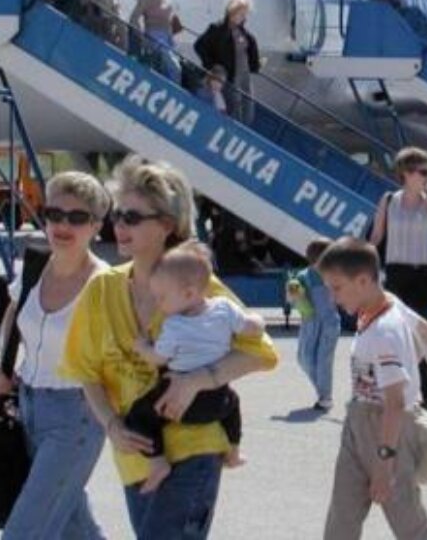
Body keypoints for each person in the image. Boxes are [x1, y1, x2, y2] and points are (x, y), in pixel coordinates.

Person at [60, 156, 279, 539]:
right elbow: (85, 370)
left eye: (132, 217)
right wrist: (111, 426)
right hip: (136, 454)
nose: (120, 225)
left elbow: (260, 351)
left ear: (167, 225)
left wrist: (199, 379)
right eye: (117, 215)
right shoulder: (102, 288)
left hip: (195, 447)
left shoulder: (195, 286)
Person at [0, 172, 111, 539]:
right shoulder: (36, 267)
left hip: (76, 416)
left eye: (76, 218)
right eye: (54, 214)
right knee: (74, 528)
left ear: (96, 226)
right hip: (26, 406)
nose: (62, 225)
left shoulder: (104, 284)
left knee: (26, 531)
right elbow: (15, 311)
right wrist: (1, 365)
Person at [319, 238, 427, 540]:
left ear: (362, 281)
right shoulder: (385, 302)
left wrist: (385, 463)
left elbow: (395, 403)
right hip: (360, 418)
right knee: (341, 521)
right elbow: (426, 331)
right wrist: (407, 368)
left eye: (336, 288)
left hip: (388, 428)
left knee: (408, 525)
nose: (332, 297)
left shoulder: (384, 331)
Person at [125, 240, 266, 493]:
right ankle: (233, 450)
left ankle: (157, 462)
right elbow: (250, 327)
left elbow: (160, 358)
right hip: (217, 399)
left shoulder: (175, 326)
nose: (158, 304)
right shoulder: (224, 309)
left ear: (189, 293)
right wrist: (258, 323)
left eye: (162, 297)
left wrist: (142, 347)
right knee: (234, 403)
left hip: (178, 400)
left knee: (139, 416)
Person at [370, 147, 427, 409]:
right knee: (396, 335)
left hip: (425, 276)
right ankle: (413, 391)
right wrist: (363, 264)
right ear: (406, 173)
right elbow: (376, 237)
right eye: (422, 171)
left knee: (412, 335)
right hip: (397, 274)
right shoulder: (389, 200)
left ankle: (425, 390)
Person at [288, 237, 342, 411]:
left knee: (324, 360)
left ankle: (325, 397)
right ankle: (323, 391)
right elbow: (293, 298)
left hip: (330, 323)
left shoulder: (336, 275)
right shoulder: (303, 276)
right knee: (304, 358)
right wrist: (293, 291)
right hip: (310, 323)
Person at [194, 0, 261, 126]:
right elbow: (199, 46)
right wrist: (213, 66)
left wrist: (256, 65)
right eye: (241, 13)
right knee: (234, 109)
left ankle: (243, 133)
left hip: (244, 77)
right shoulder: (217, 29)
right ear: (232, 12)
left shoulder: (244, 33)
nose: (244, 17)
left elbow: (250, 52)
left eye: (245, 14)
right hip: (229, 76)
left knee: (248, 110)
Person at [129, 0, 181, 82]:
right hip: (155, 35)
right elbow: (134, 18)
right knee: (174, 68)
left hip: (167, 35)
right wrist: (143, 37)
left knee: (175, 64)